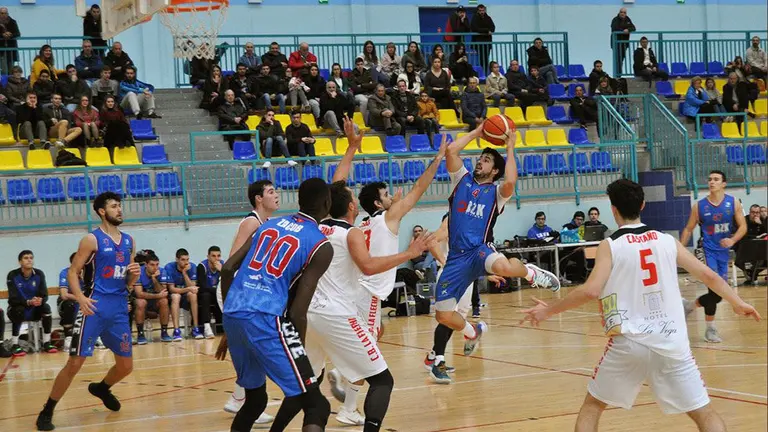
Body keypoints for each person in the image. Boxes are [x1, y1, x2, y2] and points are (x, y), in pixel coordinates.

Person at [520, 178, 761, 432]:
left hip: (629, 342)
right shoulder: (666, 241)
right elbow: (710, 277)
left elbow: (590, 290)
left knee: (592, 408)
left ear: (613, 210)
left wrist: (547, 310)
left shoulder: (610, 245)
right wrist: (738, 302)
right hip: (671, 343)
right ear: (643, 205)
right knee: (704, 414)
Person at [269, 180, 434, 430]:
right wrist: (410, 253)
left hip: (307, 313)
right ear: (350, 205)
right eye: (352, 198)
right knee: (382, 381)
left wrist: (351, 150)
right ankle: (352, 407)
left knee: (305, 385)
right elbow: (368, 267)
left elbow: (333, 186)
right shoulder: (351, 232)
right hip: (335, 314)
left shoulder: (319, 227)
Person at [322, 119, 448, 405]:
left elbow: (336, 186)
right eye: (386, 195)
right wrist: (438, 159)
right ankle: (345, 388)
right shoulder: (388, 219)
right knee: (367, 355)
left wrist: (352, 148)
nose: (392, 197)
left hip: (355, 290)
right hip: (368, 291)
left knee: (376, 333)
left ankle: (346, 391)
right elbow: (418, 189)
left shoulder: (364, 223)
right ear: (378, 204)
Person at [428, 126, 560, 384]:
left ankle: (532, 273)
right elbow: (452, 150)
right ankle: (472, 331)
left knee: (503, 267)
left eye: (486, 160)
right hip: (456, 258)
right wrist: (478, 131)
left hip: (480, 250)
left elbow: (511, 182)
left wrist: (509, 146)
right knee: (443, 315)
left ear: (495, 170)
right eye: (480, 158)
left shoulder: (496, 193)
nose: (480, 162)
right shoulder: (461, 180)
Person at [214, 178, 334, 432]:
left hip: (235, 312)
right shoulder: (321, 244)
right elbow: (298, 311)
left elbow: (226, 269)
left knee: (256, 399)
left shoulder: (269, 225)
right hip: (266, 317)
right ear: (327, 203)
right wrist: (297, 350)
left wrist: (230, 318)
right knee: (315, 403)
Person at [36, 192, 141, 431]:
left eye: (120, 206)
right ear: (102, 211)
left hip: (118, 308)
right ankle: (47, 410)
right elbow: (74, 272)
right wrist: (81, 298)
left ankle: (101, 388)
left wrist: (133, 276)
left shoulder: (129, 241)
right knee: (75, 363)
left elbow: (127, 282)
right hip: (95, 306)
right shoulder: (91, 240)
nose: (119, 209)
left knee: (126, 367)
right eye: (114, 206)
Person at [220, 179, 279, 425]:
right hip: (238, 290)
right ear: (258, 198)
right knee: (257, 345)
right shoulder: (252, 222)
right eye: (271, 191)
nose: (276, 195)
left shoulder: (264, 223)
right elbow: (232, 263)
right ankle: (243, 399)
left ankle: (238, 396)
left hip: (248, 292)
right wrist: (235, 300)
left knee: (251, 348)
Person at [424, 215, 506, 373]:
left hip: (466, 277)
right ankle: (469, 334)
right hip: (452, 275)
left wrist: (487, 274)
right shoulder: (452, 219)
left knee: (454, 319)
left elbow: (474, 259)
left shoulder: (473, 228)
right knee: (449, 317)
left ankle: (433, 357)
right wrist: (444, 262)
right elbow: (431, 241)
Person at [680, 170, 747, 343]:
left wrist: (732, 240)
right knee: (714, 289)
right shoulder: (699, 206)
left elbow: (743, 227)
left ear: (724, 184)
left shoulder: (733, 203)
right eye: (710, 179)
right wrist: (679, 249)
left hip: (723, 252)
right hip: (706, 250)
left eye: (716, 179)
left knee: (718, 294)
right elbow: (688, 228)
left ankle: (689, 306)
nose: (711, 182)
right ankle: (710, 329)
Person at [6, 250, 56, 356]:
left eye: (31, 258)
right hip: (17, 309)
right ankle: (15, 344)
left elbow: (44, 294)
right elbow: (13, 299)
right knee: (18, 310)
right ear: (20, 262)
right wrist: (28, 302)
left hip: (34, 309)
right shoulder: (13, 275)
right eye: (26, 258)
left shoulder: (39, 274)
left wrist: (41, 300)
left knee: (46, 308)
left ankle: (47, 342)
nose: (29, 260)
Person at [163, 248, 202, 341]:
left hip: (185, 295)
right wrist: (188, 289)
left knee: (193, 295)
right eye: (183, 260)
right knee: (176, 296)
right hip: (174, 296)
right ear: (177, 260)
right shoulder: (169, 267)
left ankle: (195, 328)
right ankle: (176, 330)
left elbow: (193, 287)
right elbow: (172, 289)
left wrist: (184, 273)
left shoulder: (192, 267)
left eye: (187, 259)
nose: (186, 262)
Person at [133, 252, 171, 344]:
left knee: (164, 301)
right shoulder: (139, 272)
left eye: (157, 264)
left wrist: (154, 279)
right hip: (142, 301)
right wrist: (158, 295)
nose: (155, 267)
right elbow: (139, 294)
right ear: (146, 265)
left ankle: (164, 332)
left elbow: (163, 292)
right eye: (152, 265)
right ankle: (140, 334)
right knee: (141, 302)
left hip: (154, 302)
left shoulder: (162, 271)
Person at [195, 246, 222, 339]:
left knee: (227, 295)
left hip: (217, 294)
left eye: (218, 256)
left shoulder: (223, 265)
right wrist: (217, 290)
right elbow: (202, 287)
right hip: (205, 294)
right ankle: (207, 327)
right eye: (213, 256)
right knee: (205, 296)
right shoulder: (202, 266)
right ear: (208, 257)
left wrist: (222, 271)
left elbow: (228, 283)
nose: (216, 258)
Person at [57, 253, 81, 352]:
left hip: (83, 301)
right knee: (69, 305)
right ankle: (68, 338)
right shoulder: (65, 272)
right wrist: (81, 298)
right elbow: (64, 294)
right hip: (68, 302)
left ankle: (96, 336)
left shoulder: (89, 273)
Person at [470, 4, 495, 74]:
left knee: (486, 59)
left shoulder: (488, 18)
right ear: (478, 11)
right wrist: (487, 30)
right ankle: (482, 74)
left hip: (487, 42)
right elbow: (475, 28)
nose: (482, 12)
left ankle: (486, 74)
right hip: (479, 42)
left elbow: (493, 28)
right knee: (481, 59)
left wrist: (488, 30)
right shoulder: (475, 18)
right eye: (480, 10)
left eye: (483, 10)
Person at [610, 7, 635, 75]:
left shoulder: (627, 19)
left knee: (621, 60)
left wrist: (628, 30)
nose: (623, 14)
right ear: (619, 12)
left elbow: (633, 28)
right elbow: (615, 28)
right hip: (616, 44)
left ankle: (619, 74)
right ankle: (617, 75)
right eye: (621, 12)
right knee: (617, 60)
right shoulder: (615, 19)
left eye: (624, 12)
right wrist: (623, 31)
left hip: (624, 44)